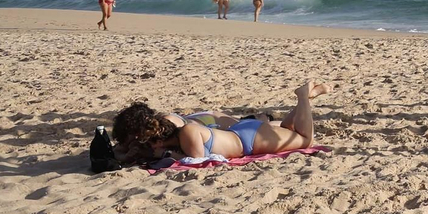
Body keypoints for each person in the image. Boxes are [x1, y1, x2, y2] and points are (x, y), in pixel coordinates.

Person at [111, 81, 331, 164]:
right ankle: (306, 100)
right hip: (243, 133)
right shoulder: (177, 132)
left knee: (306, 140)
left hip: (248, 140)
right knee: (286, 130)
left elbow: (198, 161)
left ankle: (303, 96)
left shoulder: (187, 133)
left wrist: (166, 155)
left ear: (157, 140)